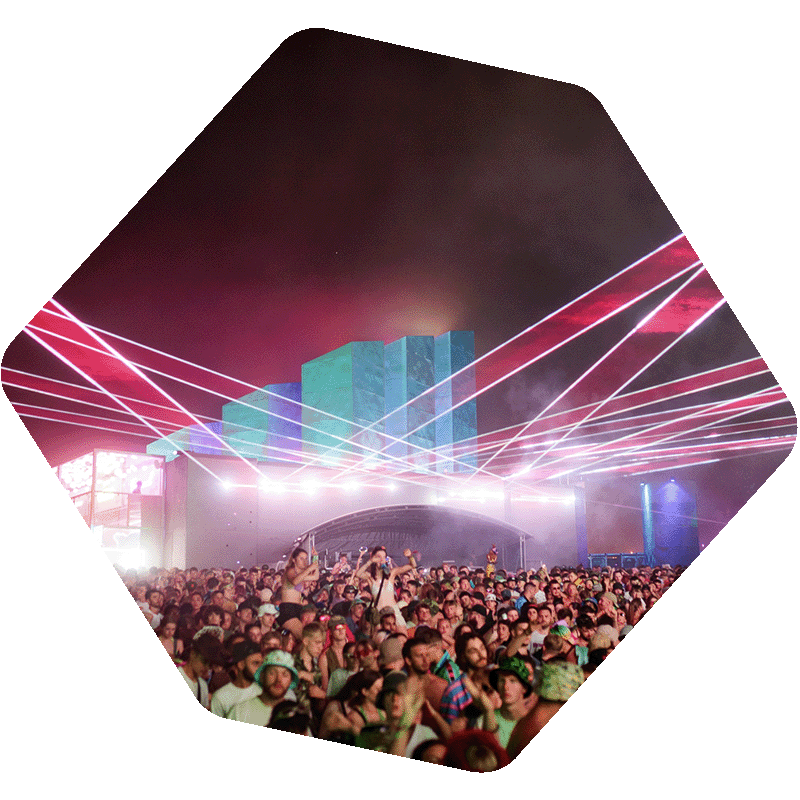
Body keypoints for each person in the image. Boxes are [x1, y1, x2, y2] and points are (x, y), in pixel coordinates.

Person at [226, 649, 299, 726]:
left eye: (285, 674)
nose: (279, 679)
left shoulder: (296, 715)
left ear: (291, 680)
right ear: (262, 676)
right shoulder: (239, 712)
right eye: (272, 673)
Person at [488, 655, 534, 749]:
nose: (506, 687)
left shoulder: (534, 725)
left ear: (524, 688)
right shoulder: (485, 720)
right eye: (501, 680)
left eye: (512, 681)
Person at [276, 548, 319, 644]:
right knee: (305, 638)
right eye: (301, 558)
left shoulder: (301, 574)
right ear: (294, 560)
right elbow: (295, 581)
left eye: (306, 558)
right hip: (288, 609)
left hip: (298, 608)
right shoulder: (290, 571)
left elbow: (316, 576)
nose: (304, 561)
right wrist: (309, 568)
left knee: (300, 642)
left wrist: (315, 559)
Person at [210, 640, 263, 718]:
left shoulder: (264, 692)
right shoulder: (220, 697)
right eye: (255, 663)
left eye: (261, 664)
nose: (260, 668)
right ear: (241, 665)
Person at [177, 632, 225, 710]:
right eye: (204, 661)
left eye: (210, 665)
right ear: (193, 654)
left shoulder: (202, 686)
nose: (206, 668)